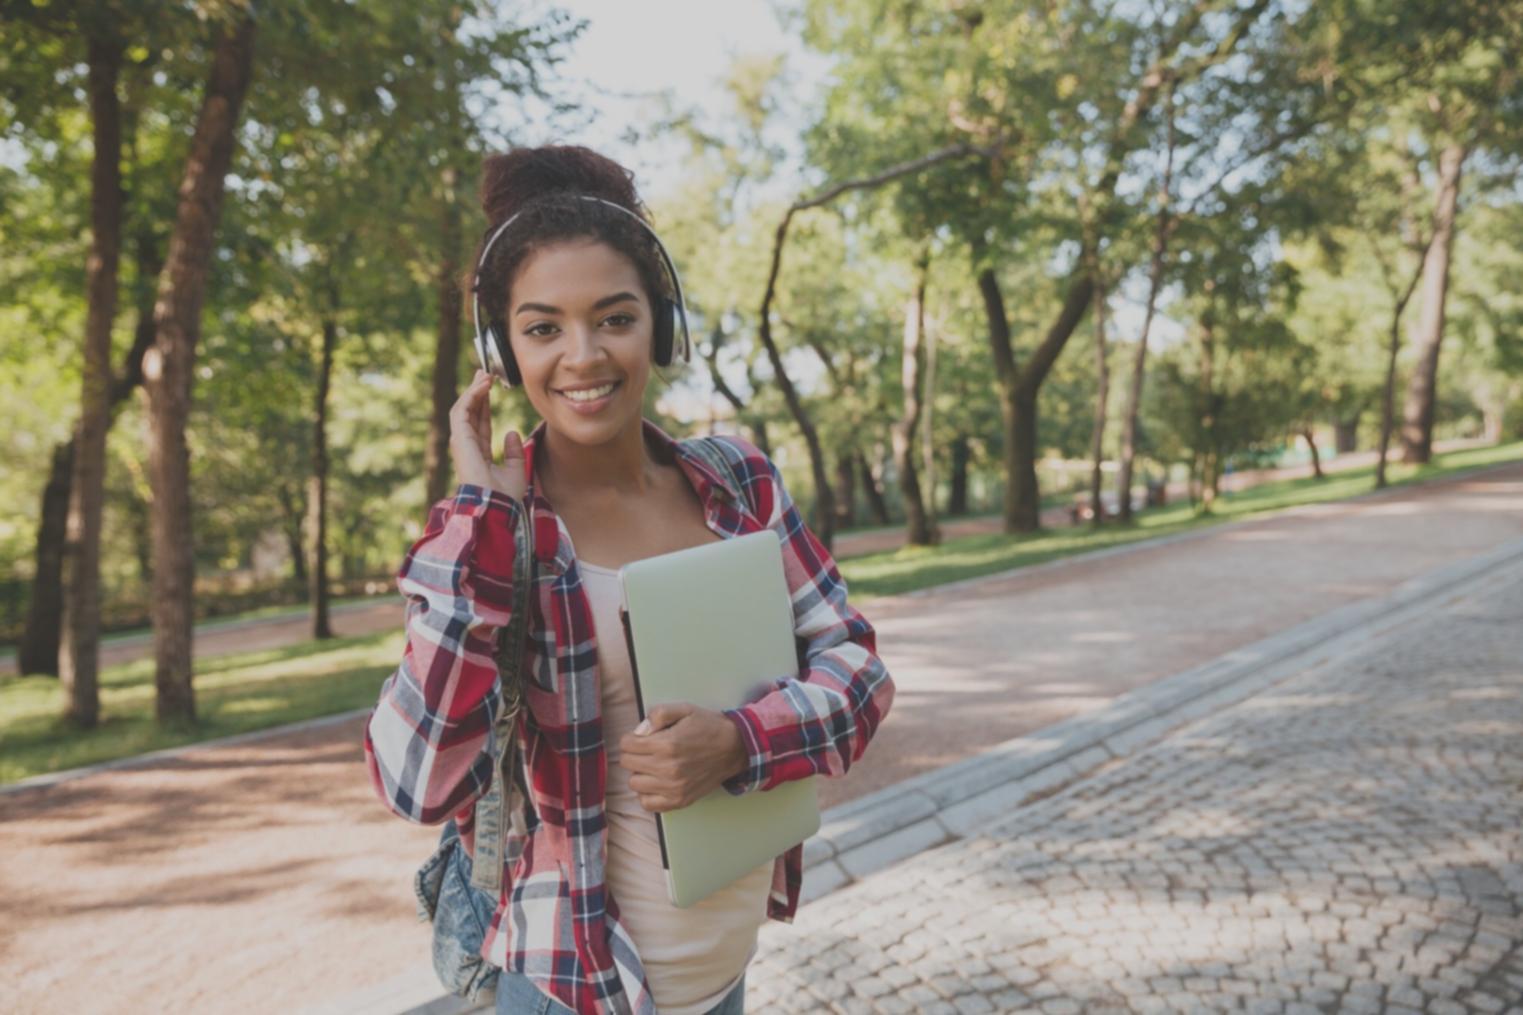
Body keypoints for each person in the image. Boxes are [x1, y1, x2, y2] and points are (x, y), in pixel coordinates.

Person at [363, 144, 895, 1015]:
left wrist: (739, 740)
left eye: (614, 317)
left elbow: (857, 667)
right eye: (542, 328)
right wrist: (479, 521)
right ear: (502, 348)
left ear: (660, 322)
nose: (583, 356)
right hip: (577, 987)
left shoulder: (739, 483)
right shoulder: (490, 532)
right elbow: (415, 781)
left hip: (720, 968)